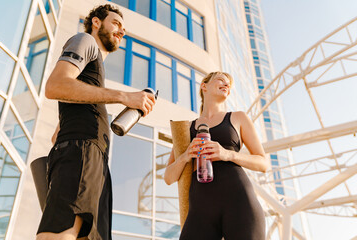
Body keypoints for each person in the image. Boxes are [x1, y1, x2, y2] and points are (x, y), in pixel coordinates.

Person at [36, 4, 156, 240]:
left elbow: (56, 133)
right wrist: (125, 96)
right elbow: (55, 86)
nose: (122, 31)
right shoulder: (85, 41)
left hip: (91, 159)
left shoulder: (92, 76)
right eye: (116, 24)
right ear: (96, 22)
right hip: (81, 152)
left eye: (124, 28)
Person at [164, 72, 269, 240]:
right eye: (221, 80)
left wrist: (228, 154)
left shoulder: (238, 117)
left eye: (229, 84)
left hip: (239, 201)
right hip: (200, 208)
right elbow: (169, 177)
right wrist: (185, 156)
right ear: (204, 86)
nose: (226, 84)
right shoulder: (186, 129)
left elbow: (263, 163)